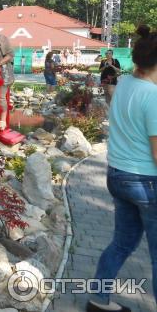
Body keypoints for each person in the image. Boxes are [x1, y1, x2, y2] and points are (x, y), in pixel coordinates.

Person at [87, 25, 157, 312]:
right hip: (146, 184)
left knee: (121, 243)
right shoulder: (152, 97)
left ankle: (98, 298)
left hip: (117, 175)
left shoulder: (125, 82)